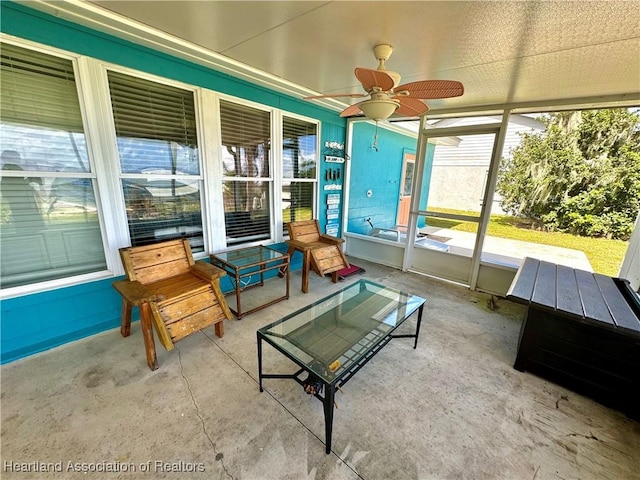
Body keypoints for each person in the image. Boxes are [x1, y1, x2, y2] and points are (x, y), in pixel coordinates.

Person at [1, 150, 45, 228]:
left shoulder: (7, 168)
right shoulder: (10, 168)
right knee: (27, 218)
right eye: (18, 157)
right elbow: (16, 182)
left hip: (19, 199)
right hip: (21, 199)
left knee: (23, 218)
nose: (20, 159)